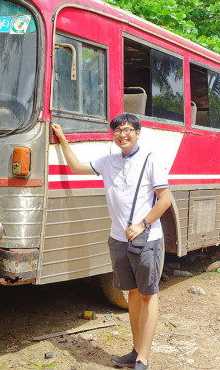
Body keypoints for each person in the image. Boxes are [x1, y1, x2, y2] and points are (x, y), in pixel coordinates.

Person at [51, 113, 171, 370]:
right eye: (117, 130)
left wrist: (142, 224)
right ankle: (135, 350)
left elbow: (165, 200)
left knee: (148, 295)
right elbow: (75, 167)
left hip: (146, 238)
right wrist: (62, 139)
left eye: (128, 130)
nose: (122, 134)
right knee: (133, 293)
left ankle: (143, 358)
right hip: (118, 239)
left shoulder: (151, 159)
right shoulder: (108, 161)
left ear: (138, 133)